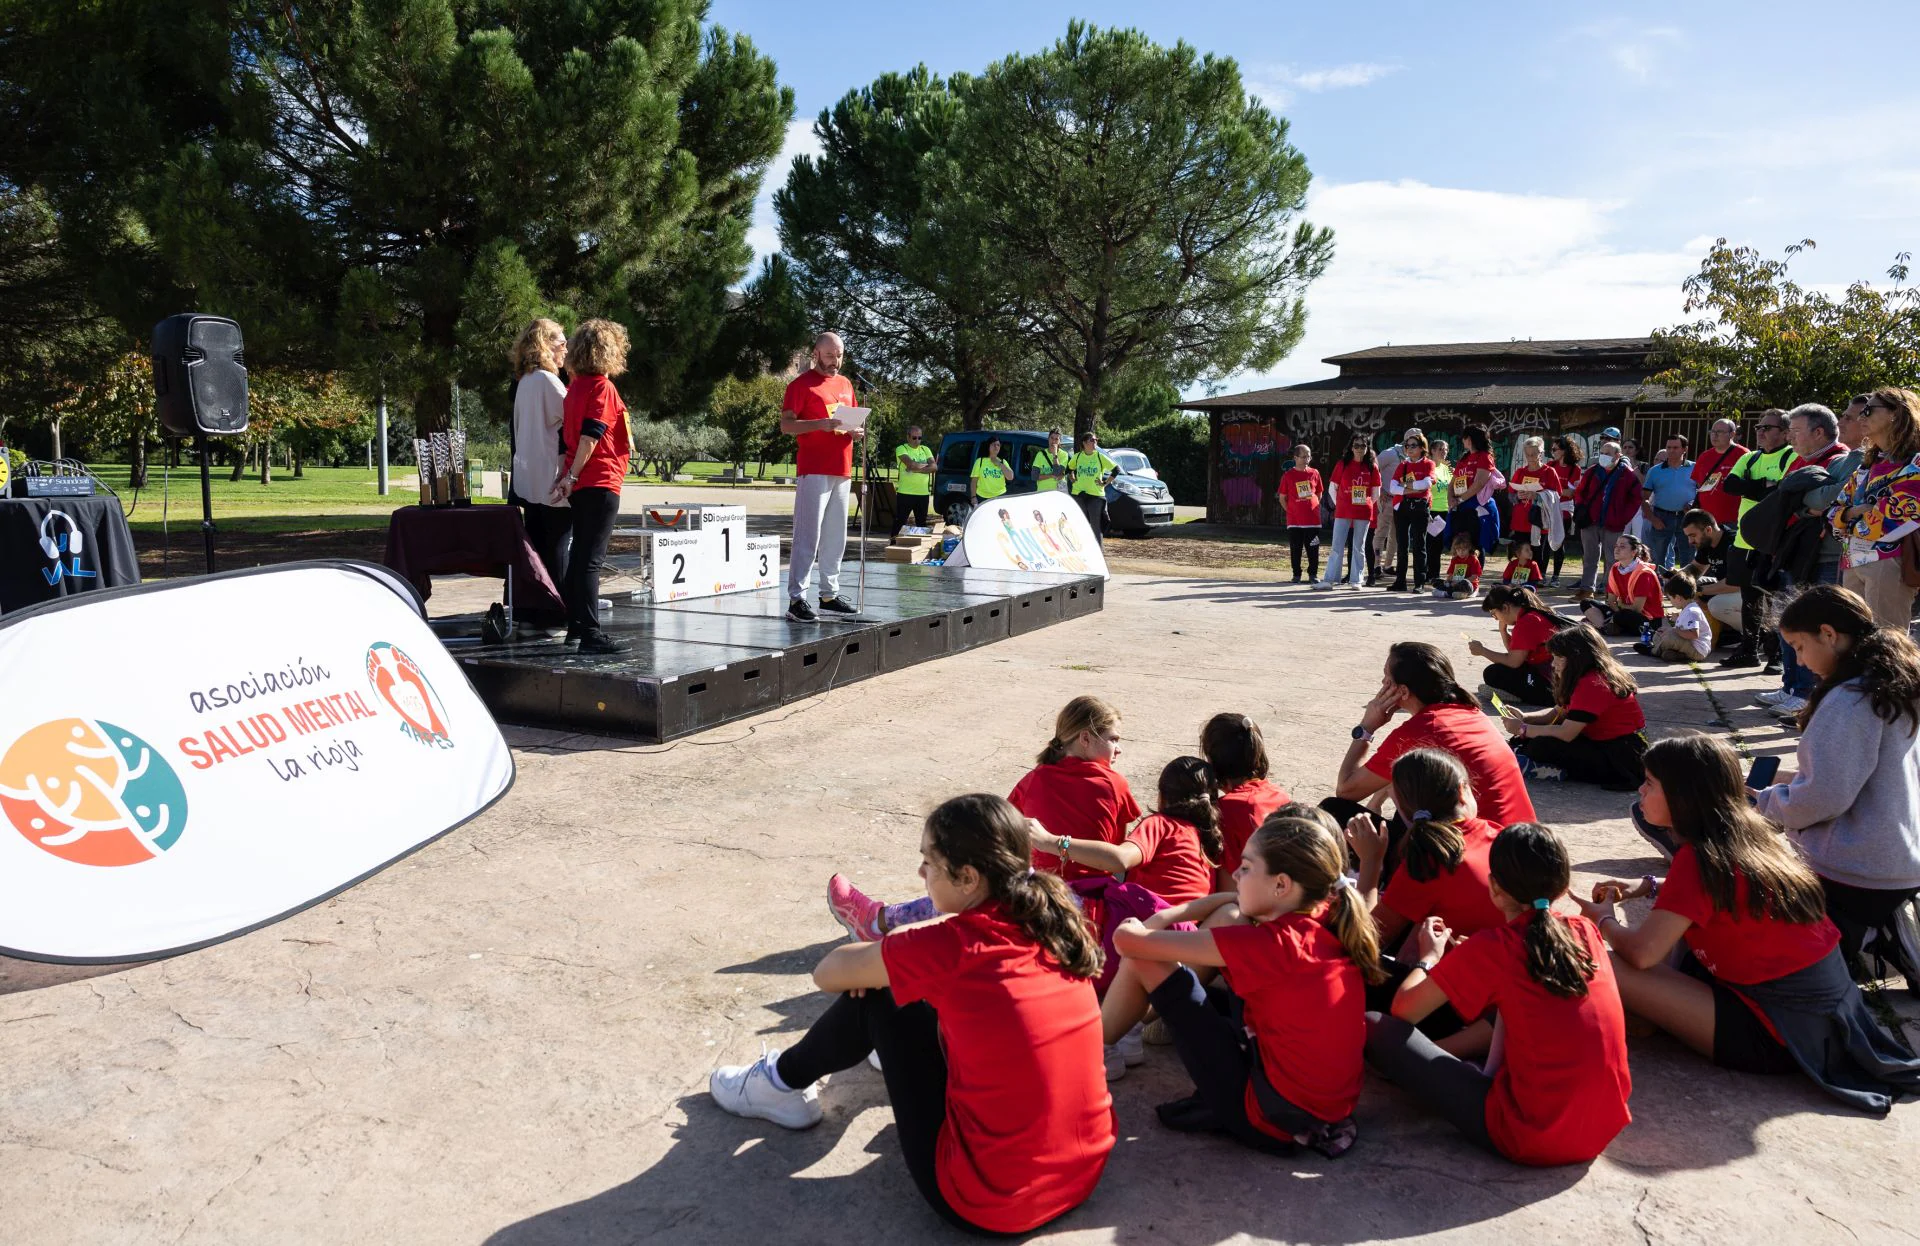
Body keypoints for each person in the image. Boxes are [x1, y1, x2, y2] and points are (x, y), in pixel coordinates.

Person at [709, 795, 1115, 1235]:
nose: (921, 873)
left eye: (929, 862)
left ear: (968, 877)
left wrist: (889, 958)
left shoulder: (955, 947)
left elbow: (827, 973)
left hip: (991, 1201)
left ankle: (779, 1083)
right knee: (905, 986)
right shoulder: (1051, 922)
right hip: (1080, 1175)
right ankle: (825, 1063)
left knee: (879, 998)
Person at [1575, 735, 1920, 1113]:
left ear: (1684, 795)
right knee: (1671, 941)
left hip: (1775, 1036)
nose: (1640, 790)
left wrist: (1603, 920)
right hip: (1822, 1028)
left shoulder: (1699, 860)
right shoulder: (1748, 835)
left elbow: (1642, 954)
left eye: (1650, 783)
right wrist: (1649, 885)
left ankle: (1642, 1013)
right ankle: (1655, 1013)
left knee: (1601, 963)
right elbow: (1712, 894)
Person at [1102, 816, 1382, 1157]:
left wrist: (1153, 919)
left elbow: (1129, 942)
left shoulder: (1271, 945)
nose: (1235, 874)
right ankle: (1119, 1041)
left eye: (1246, 868)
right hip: (1318, 1111)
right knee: (1203, 938)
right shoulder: (1328, 916)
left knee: (1144, 955)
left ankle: (1097, 1050)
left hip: (1269, 1119)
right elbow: (1230, 906)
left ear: (1281, 885)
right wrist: (1231, 898)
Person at [1364, 822, 1632, 1166]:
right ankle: (1477, 1069)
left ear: (1495, 888)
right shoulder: (1584, 931)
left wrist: (1430, 956)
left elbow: (1404, 1011)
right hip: (1601, 1125)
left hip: (1530, 1136)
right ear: (1563, 886)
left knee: (1377, 1027)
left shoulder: (1494, 947)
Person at [1758, 586, 1920, 979]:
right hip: (1899, 861)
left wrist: (1766, 802)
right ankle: (1877, 927)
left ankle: (1866, 936)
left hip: (1853, 869)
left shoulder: (1849, 699)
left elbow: (1823, 797)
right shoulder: (1894, 683)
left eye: (1798, 646)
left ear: (1828, 634)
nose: (1798, 659)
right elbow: (1863, 779)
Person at [1346, 750, 1508, 1029]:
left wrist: (1370, 863)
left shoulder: (1432, 857)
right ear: (1462, 791)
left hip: (1469, 1008)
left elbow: (1365, 940)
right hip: (1504, 984)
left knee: (1337, 963)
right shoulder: (1493, 831)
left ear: (1403, 808)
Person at [1328, 641, 1537, 841]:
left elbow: (1346, 791)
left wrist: (1366, 728)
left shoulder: (1422, 730)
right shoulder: (1472, 713)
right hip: (1521, 843)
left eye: (1387, 678)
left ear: (1402, 691)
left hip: (1484, 851)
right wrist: (1377, 801)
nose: (1383, 684)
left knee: (1334, 811)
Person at [551, 318, 633, 655]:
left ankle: (576, 627)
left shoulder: (575, 388)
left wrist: (569, 476)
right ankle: (590, 633)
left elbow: (569, 437)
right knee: (590, 559)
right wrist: (571, 476)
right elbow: (591, 435)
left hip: (585, 481)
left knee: (581, 555)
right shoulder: (601, 387)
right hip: (599, 478)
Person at [1008, 696, 1141, 881]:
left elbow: (1008, 828)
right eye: (1114, 739)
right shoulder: (1113, 783)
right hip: (1093, 895)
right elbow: (1117, 850)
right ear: (1085, 738)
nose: (1119, 749)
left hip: (1041, 891)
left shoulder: (1033, 779)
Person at [1502, 625, 1647, 790]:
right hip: (1606, 744)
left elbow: (1566, 733)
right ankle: (1534, 761)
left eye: (1559, 657)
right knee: (1537, 736)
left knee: (1543, 744)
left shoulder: (1593, 684)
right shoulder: (1585, 676)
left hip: (1621, 757)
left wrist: (1523, 729)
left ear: (1578, 657)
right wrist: (1525, 718)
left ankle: (1550, 769)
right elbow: (1558, 712)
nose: (1553, 663)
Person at [781, 332, 864, 621]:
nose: (835, 361)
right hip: (813, 469)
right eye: (830, 355)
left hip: (842, 468)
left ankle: (828, 595)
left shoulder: (845, 384)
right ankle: (796, 599)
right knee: (808, 535)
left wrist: (854, 430)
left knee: (835, 536)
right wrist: (822, 424)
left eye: (839, 355)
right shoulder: (800, 386)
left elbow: (849, 420)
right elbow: (787, 426)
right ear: (815, 353)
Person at [1828, 387, 1920, 627]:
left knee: (1887, 644)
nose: (1861, 418)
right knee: (1854, 643)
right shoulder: (1868, 466)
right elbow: (1832, 513)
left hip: (1889, 562)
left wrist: (1847, 517)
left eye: (1868, 410)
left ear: (1896, 414)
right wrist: (1854, 513)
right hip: (1852, 561)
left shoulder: (1916, 463)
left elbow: (1894, 521)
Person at [1718, 409, 1794, 670]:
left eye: (1768, 427)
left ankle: (1776, 655)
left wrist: (1754, 487)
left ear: (1785, 433)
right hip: (1743, 541)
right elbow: (1730, 486)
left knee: (1774, 600)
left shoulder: (1791, 457)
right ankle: (1749, 650)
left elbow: (1784, 492)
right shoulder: (1750, 458)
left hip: (1772, 542)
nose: (1760, 431)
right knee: (1749, 600)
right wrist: (1764, 485)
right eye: (1759, 427)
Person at [509, 317, 570, 621]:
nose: (566, 349)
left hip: (530, 477)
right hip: (552, 476)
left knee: (539, 547)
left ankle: (537, 609)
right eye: (561, 342)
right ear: (547, 346)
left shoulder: (525, 381)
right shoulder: (548, 381)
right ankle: (559, 609)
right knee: (557, 546)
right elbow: (573, 420)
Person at [1201, 713, 1292, 887]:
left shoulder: (1226, 809)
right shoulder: (1280, 795)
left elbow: (1226, 885)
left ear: (1212, 762)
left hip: (1247, 904)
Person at [1572, 439, 1644, 600]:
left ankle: (1610, 589)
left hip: (1614, 523)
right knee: (1590, 556)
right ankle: (1586, 589)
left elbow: (1635, 498)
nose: (1603, 456)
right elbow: (1580, 492)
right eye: (1602, 453)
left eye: (1608, 454)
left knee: (1613, 557)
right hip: (1590, 521)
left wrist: (1622, 517)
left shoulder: (1627, 474)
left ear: (1617, 455)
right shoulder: (1592, 471)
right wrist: (1584, 508)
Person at [1472, 584, 1566, 707]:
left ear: (1505, 608)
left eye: (1493, 613)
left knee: (1493, 673)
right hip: (1553, 674)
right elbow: (1515, 654)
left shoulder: (1526, 622)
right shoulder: (1531, 614)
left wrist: (1483, 651)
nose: (1495, 618)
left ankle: (1520, 696)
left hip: (1552, 685)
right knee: (1498, 671)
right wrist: (1503, 631)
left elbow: (1513, 662)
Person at [1318, 434, 1379, 591]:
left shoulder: (1372, 466)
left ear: (1367, 448)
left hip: (1363, 512)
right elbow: (1333, 487)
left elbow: (1375, 492)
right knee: (1337, 546)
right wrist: (1341, 504)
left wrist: (1366, 504)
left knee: (1359, 546)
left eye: (1363, 446)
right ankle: (1330, 579)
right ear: (1351, 447)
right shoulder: (1342, 464)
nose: (1359, 449)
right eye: (1356, 446)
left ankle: (1356, 580)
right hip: (1343, 511)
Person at [1582, 534, 1665, 636]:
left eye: (1622, 546)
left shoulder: (1644, 573)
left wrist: (1620, 607)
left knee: (1621, 616)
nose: (1617, 549)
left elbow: (1637, 609)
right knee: (1586, 602)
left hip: (1646, 619)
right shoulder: (1615, 568)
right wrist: (1617, 608)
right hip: (1622, 611)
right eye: (1616, 546)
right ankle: (1606, 626)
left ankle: (1603, 624)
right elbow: (1611, 601)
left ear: (1633, 552)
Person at [1681, 506, 1744, 639]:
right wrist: (1676, 578)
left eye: (1693, 536)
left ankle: (1756, 635)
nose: (1690, 541)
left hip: (1751, 593)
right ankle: (1723, 628)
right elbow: (1695, 569)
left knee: (1716, 605)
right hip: (1732, 590)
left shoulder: (1734, 544)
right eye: (1687, 536)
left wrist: (1698, 590)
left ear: (1708, 530)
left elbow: (1734, 584)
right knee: (1683, 583)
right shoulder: (1707, 543)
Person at [1388, 431, 1437, 592]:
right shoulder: (1403, 465)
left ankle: (1419, 583)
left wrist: (1406, 487)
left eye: (1413, 445)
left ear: (1422, 448)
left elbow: (1427, 484)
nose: (1409, 448)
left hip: (1420, 507)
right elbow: (1392, 487)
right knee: (1402, 545)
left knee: (1419, 545)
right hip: (1402, 507)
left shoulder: (1428, 464)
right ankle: (1400, 581)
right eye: (1407, 445)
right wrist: (1411, 489)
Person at [1640, 434, 1698, 569]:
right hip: (1662, 516)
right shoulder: (1655, 471)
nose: (1671, 450)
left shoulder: (1695, 468)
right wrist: (1652, 518)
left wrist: (1694, 503)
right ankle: (1658, 586)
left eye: (1676, 447)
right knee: (1657, 557)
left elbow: (1704, 492)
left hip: (1687, 517)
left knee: (1689, 556)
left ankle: (1686, 586)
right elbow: (1644, 497)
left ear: (1685, 449)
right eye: (1668, 447)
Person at [1370, 430, 1414, 585]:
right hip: (1387, 497)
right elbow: (1373, 469)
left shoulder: (1412, 457)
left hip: (1402, 499)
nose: (1415, 446)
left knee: (1397, 533)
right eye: (1413, 442)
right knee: (1381, 531)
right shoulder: (1390, 453)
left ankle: (1388, 565)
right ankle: (1376, 565)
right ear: (1407, 440)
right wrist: (1380, 489)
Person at [1638, 572, 1712, 663]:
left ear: (1678, 597)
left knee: (1669, 637)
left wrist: (1673, 630)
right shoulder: (1687, 609)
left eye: (1670, 599)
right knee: (1660, 633)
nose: (1671, 602)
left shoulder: (1692, 612)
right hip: (1688, 645)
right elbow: (1684, 629)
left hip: (1698, 650)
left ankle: (1653, 651)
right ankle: (1677, 655)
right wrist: (1673, 625)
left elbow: (1693, 634)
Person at [1691, 417, 1749, 529]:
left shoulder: (1744, 455)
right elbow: (1699, 483)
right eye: (1712, 432)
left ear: (1732, 434)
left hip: (1733, 520)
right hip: (1707, 520)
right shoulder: (1704, 456)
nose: (1714, 435)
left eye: (1720, 432)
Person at [1451, 426, 1500, 555]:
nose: (1462, 440)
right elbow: (1452, 483)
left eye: (1464, 437)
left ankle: (1475, 574)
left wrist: (1460, 499)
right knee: (1460, 542)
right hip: (1461, 506)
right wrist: (1451, 498)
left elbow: (1479, 483)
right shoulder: (1464, 458)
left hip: (1476, 506)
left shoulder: (1484, 457)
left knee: (1476, 544)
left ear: (1470, 439)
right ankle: (1460, 574)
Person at [1544, 435, 1586, 585]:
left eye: (1555, 449)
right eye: (1552, 449)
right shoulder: (1550, 465)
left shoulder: (1575, 469)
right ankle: (1542, 574)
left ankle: (1555, 577)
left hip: (1564, 509)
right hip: (1548, 507)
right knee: (1544, 541)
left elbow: (1571, 493)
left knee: (1559, 542)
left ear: (1564, 451)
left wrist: (1552, 490)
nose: (1553, 451)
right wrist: (1558, 490)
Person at [1279, 444, 1324, 583]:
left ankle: (1313, 575)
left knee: (1313, 549)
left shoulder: (1314, 473)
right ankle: (1296, 574)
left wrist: (1312, 506)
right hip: (1295, 521)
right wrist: (1291, 511)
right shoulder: (1288, 475)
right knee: (1296, 549)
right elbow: (1282, 497)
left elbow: (1319, 493)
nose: (1307, 459)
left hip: (1312, 520)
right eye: (1303, 456)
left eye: (1309, 456)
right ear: (1295, 458)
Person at [1067, 432, 1119, 547]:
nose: (1095, 442)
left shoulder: (1100, 456)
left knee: (1096, 527)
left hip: (1095, 496)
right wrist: (1072, 478)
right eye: (1092, 440)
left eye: (1096, 440)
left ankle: (1098, 553)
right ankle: (1082, 552)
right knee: (1080, 524)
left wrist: (1105, 483)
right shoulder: (1078, 456)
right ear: (1084, 443)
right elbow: (1069, 468)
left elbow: (1116, 470)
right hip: (1079, 495)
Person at [891, 425, 935, 539]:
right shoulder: (902, 449)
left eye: (920, 438)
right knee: (900, 522)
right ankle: (893, 546)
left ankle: (921, 550)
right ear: (908, 437)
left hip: (923, 494)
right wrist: (926, 468)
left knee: (922, 524)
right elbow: (910, 464)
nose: (917, 441)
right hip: (906, 493)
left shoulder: (925, 449)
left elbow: (934, 467)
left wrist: (915, 468)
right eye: (914, 438)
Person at [1432, 531, 1482, 600]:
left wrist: (1460, 582)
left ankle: (1450, 593)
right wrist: (1448, 581)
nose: (1461, 552)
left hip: (1469, 584)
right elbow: (1451, 574)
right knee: (1437, 581)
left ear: (1469, 548)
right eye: (1458, 549)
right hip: (1456, 583)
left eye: (1464, 549)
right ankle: (1450, 592)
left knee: (1465, 584)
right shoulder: (1455, 559)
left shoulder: (1473, 559)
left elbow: (1474, 577)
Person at [968, 435, 1011, 507]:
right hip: (982, 498)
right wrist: (973, 497)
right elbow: (974, 481)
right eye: (993, 444)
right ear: (988, 446)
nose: (996, 446)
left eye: (998, 445)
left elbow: (1010, 477)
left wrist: (999, 464)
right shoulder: (980, 461)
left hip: (1000, 497)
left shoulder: (1003, 461)